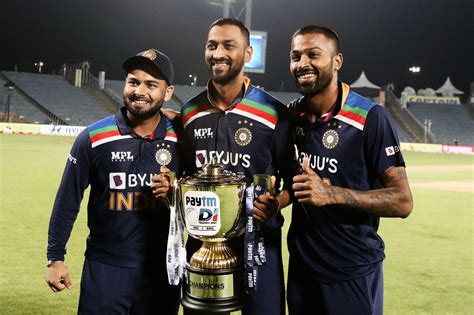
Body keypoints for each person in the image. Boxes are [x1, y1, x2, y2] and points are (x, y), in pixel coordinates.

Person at [287, 25, 413, 315]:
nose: (302, 63)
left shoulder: (370, 117)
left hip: (352, 271)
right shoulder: (292, 116)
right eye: (295, 56)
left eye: (313, 54)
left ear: (337, 61)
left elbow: (403, 201)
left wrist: (331, 194)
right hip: (302, 270)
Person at [45, 48, 182, 314]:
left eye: (151, 84)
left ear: (167, 92)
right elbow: (67, 200)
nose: (140, 91)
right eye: (133, 81)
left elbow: (200, 196)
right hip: (106, 268)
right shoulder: (93, 137)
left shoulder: (183, 139)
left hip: (162, 271)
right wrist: (55, 258)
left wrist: (175, 189)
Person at [180, 18, 294, 315]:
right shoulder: (189, 112)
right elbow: (182, 175)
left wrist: (276, 202)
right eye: (211, 45)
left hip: (260, 244)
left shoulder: (273, 112)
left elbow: (293, 181)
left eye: (228, 45)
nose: (218, 53)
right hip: (203, 241)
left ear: (247, 54)